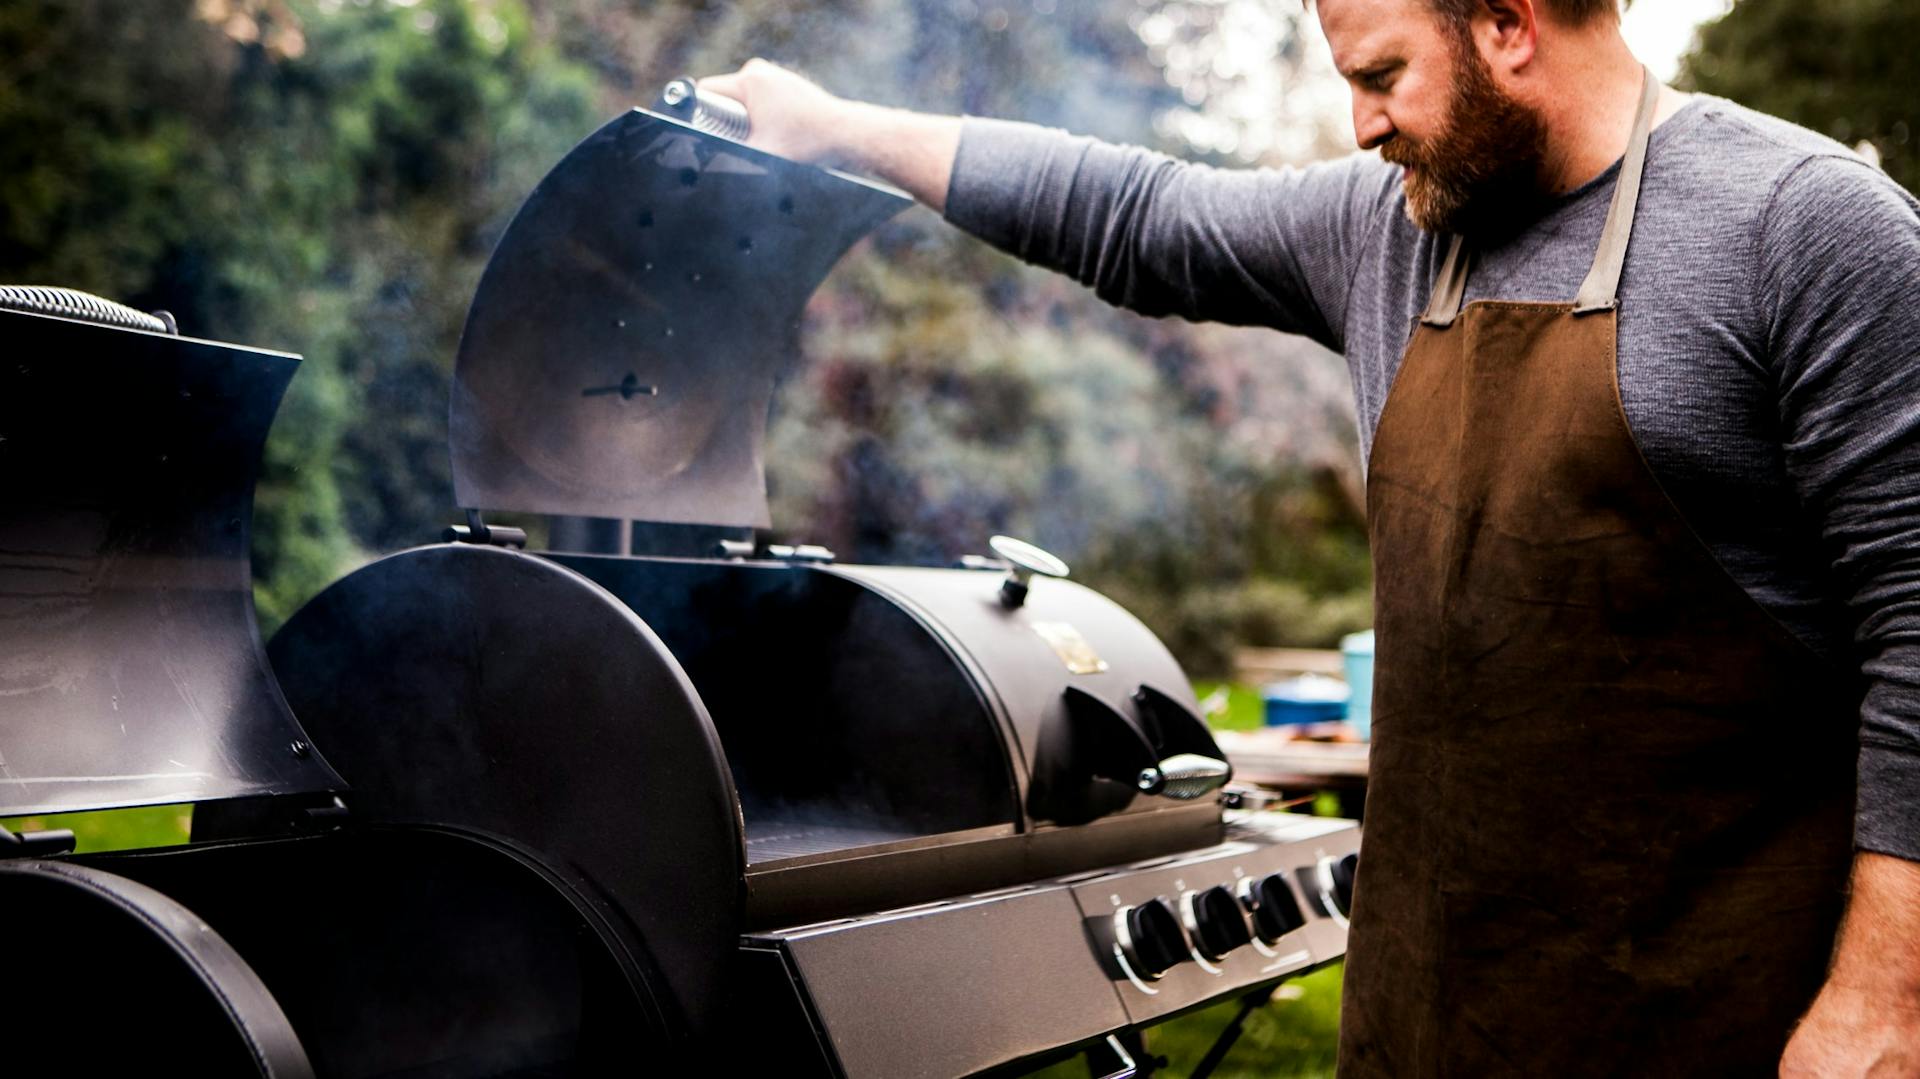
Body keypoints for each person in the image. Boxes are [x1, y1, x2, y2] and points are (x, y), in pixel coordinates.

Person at [700, 0, 1920, 1073]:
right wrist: (836, 128)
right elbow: (1133, 212)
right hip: (1428, 1014)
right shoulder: (1389, 231)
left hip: (1715, 1023)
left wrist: (1884, 1004)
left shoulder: (1806, 235)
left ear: (1508, 23)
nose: (1359, 127)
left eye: (1381, 76)